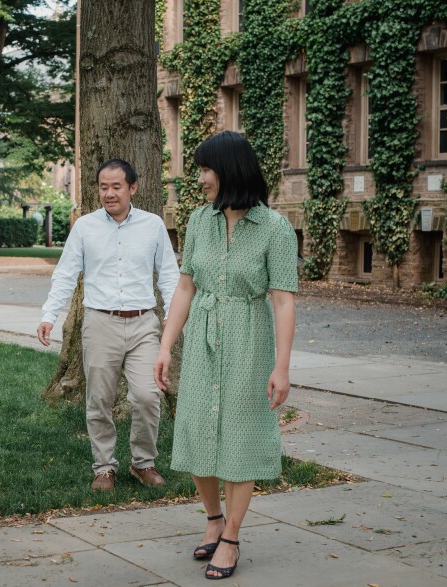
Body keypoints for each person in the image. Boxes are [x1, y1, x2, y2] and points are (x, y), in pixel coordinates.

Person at [153, 132, 298, 580]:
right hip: (202, 337)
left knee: (240, 435)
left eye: (205, 169)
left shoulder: (274, 228)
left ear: (230, 170)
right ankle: (213, 517)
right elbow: (185, 287)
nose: (200, 179)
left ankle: (232, 537)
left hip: (248, 338)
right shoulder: (199, 221)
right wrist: (165, 346)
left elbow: (283, 300)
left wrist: (282, 366)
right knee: (197, 429)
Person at [38, 159, 180, 491]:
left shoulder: (153, 225)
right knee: (99, 399)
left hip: (144, 324)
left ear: (133, 188)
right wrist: (49, 315)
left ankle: (143, 463)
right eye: (104, 187)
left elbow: (171, 277)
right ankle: (104, 467)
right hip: (100, 324)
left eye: (117, 186)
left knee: (147, 395)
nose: (109, 193)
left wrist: (173, 318)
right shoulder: (85, 227)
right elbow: (65, 274)